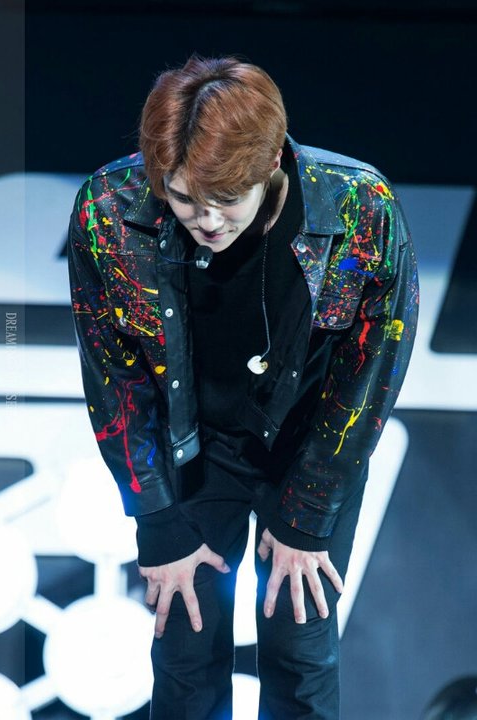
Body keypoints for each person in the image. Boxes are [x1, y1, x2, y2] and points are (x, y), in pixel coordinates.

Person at [67, 55, 419, 720]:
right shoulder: (107, 210)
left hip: (308, 449)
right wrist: (157, 520)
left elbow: (371, 372)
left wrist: (307, 515)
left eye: (227, 199)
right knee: (184, 656)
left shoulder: (360, 207)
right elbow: (113, 378)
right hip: (192, 452)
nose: (206, 220)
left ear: (270, 164)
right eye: (182, 198)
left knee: (299, 654)